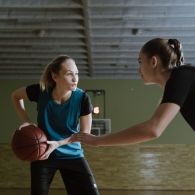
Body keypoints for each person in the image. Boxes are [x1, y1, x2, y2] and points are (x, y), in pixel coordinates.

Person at [71, 38, 195, 146]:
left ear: (153, 62)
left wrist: (97, 141)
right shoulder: (179, 80)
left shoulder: (181, 75)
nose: (138, 69)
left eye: (140, 61)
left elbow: (153, 129)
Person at [11, 55, 99, 195]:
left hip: (72, 154)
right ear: (55, 76)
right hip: (43, 153)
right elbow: (16, 96)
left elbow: (84, 134)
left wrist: (58, 143)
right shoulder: (41, 91)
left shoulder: (82, 98)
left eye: (76, 73)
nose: (75, 79)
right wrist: (25, 121)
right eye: (69, 74)